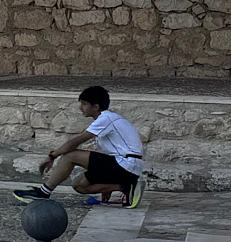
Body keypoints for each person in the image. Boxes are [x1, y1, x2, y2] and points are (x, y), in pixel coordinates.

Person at [14, 85, 146, 207]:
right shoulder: (108, 119)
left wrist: (53, 156)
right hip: (127, 166)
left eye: (84, 104)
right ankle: (125, 187)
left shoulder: (106, 118)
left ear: (96, 106)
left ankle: (43, 192)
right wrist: (106, 186)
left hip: (126, 164)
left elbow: (76, 141)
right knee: (78, 185)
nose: (80, 108)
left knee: (70, 155)